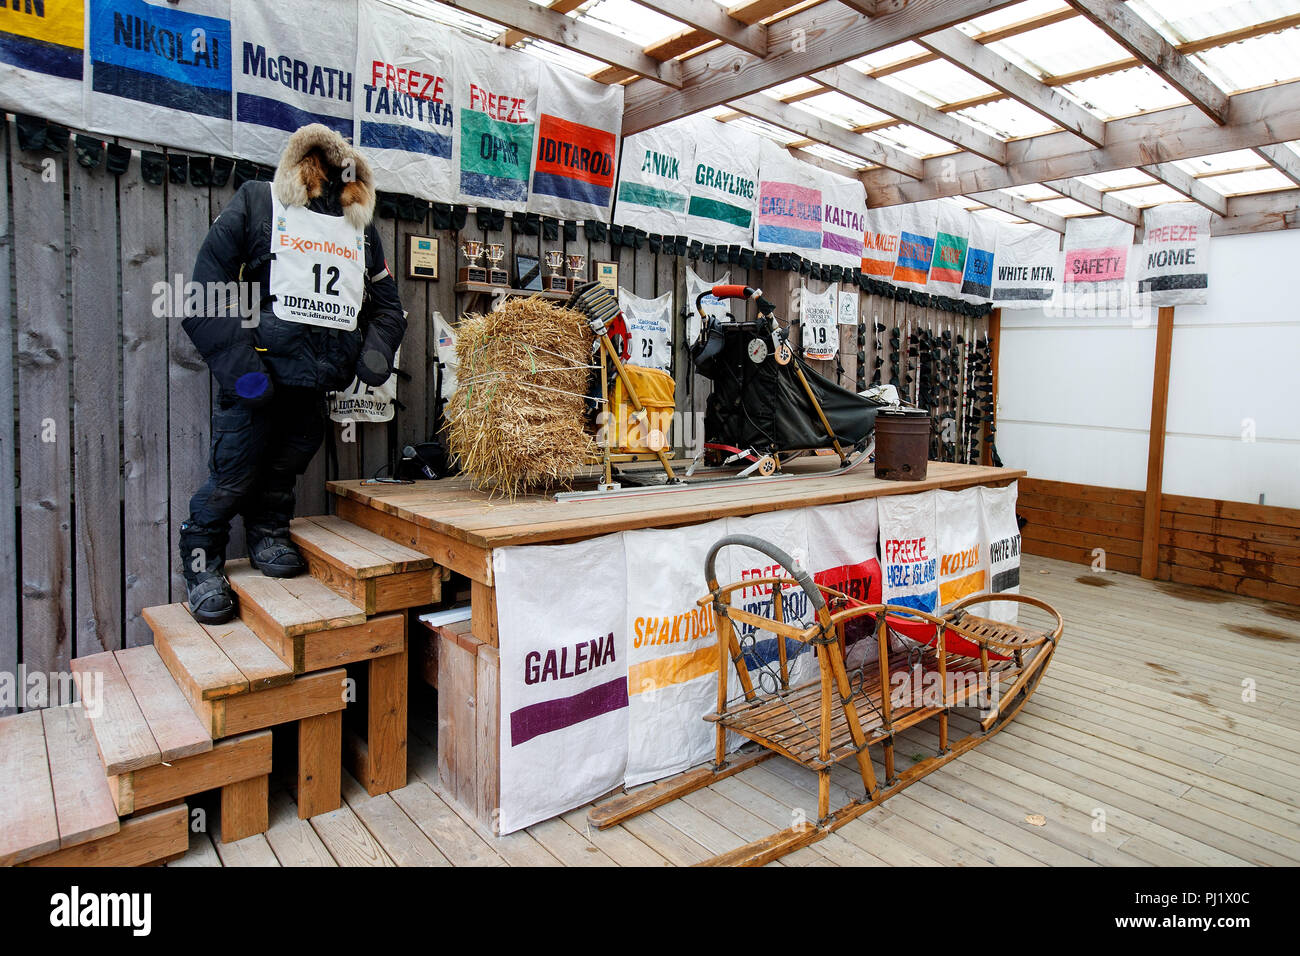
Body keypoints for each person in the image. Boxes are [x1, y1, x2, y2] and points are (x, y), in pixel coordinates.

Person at [179, 124, 406, 624]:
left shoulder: (359, 228)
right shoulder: (259, 203)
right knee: (233, 475)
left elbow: (390, 308)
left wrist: (372, 356)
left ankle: (268, 533)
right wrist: (244, 372)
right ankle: (201, 560)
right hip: (257, 380)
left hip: (315, 384)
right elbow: (202, 295)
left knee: (285, 469)